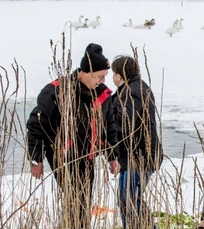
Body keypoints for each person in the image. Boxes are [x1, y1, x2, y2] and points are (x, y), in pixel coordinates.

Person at [26, 43, 121, 228]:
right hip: (63, 156)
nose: (103, 80)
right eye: (100, 76)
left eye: (105, 77)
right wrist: (36, 158)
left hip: (88, 156)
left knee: (82, 201)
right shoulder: (58, 91)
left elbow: (109, 127)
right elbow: (37, 123)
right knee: (76, 199)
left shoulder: (103, 95)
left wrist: (113, 156)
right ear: (86, 72)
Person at [110, 55, 164, 229]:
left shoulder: (132, 92)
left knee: (131, 200)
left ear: (119, 75)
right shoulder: (136, 88)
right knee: (126, 200)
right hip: (133, 155)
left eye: (113, 73)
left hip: (140, 155)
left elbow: (127, 122)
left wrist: (107, 118)